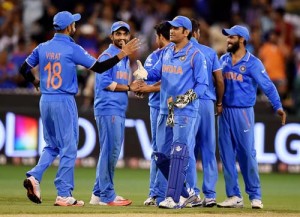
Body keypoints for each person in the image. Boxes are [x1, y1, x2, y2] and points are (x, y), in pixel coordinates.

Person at [20, 11, 140, 206]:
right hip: (64, 100)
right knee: (69, 147)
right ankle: (64, 194)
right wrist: (122, 54)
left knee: (51, 146)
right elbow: (100, 68)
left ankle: (34, 176)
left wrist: (35, 82)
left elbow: (23, 70)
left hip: (45, 100)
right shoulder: (72, 48)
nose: (75, 26)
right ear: (69, 27)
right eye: (73, 23)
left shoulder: (42, 47)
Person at [133, 15, 208, 209]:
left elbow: (202, 85)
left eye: (177, 28)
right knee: (160, 154)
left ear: (187, 32)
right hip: (165, 110)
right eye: (171, 28)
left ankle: (173, 198)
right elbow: (156, 73)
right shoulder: (166, 51)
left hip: (184, 110)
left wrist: (186, 99)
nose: (172, 30)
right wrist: (144, 74)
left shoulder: (195, 55)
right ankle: (185, 194)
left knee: (178, 152)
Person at [216, 25, 286, 209]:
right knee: (226, 156)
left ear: (242, 40)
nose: (228, 40)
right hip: (224, 112)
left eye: (231, 37)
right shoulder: (223, 60)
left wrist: (278, 106)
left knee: (247, 154)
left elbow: (268, 85)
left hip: (243, 112)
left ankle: (255, 196)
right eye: (227, 37)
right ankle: (234, 196)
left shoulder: (253, 63)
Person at [89, 21, 142, 206]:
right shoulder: (108, 55)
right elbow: (105, 83)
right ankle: (106, 196)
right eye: (117, 34)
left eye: (124, 34)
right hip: (108, 108)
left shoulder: (124, 57)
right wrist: (129, 87)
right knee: (111, 153)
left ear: (128, 36)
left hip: (116, 108)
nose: (121, 37)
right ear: (111, 37)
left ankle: (98, 193)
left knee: (109, 152)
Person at [187, 18, 224, 207]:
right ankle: (210, 195)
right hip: (207, 104)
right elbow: (219, 80)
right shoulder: (209, 52)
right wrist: (219, 102)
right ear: (197, 33)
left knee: (189, 149)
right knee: (208, 149)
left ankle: (192, 193)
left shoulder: (180, 52)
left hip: (188, 104)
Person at [136, 21, 171, 206]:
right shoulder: (152, 57)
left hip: (169, 107)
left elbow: (168, 81)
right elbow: (148, 77)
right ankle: (155, 192)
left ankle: (164, 192)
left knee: (164, 152)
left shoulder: (173, 56)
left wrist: (147, 88)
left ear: (160, 37)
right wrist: (142, 87)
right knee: (157, 151)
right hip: (155, 107)